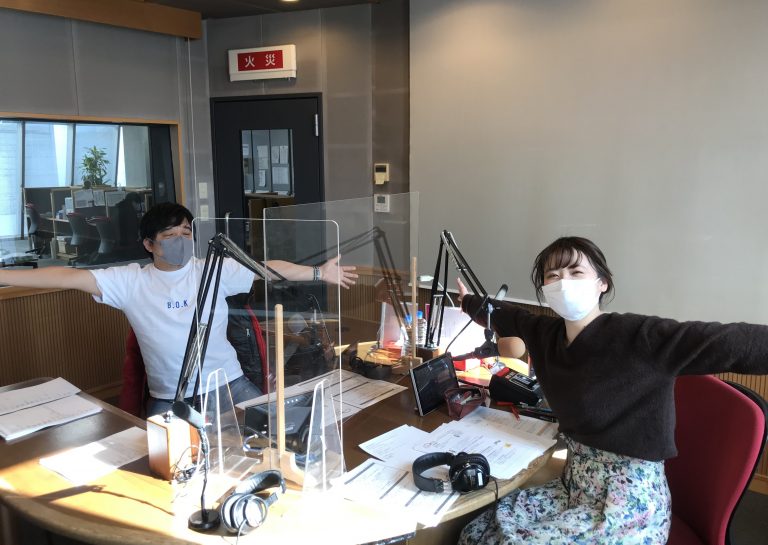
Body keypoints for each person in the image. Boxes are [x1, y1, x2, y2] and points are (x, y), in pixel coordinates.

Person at [456, 236, 768, 545]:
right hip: (573, 486)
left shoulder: (640, 336)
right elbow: (504, 316)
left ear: (602, 283)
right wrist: (467, 302)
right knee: (476, 533)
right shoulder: (545, 333)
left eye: (576, 272)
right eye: (553, 275)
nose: (563, 283)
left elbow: (729, 342)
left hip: (628, 502)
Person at [0, 202, 358, 416]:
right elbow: (68, 276)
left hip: (229, 384)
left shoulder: (212, 269)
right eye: (170, 235)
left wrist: (319, 272)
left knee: (281, 432)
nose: (181, 240)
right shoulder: (130, 281)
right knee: (163, 469)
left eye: (186, 232)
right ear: (149, 244)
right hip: (170, 397)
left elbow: (266, 267)